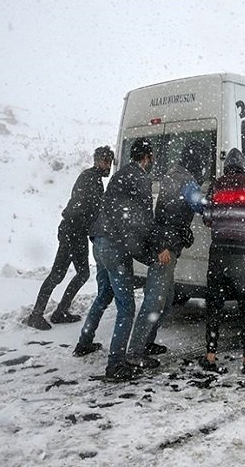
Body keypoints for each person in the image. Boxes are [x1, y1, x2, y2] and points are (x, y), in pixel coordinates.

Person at [73, 138, 160, 381]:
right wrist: (152, 252)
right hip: (114, 246)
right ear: (145, 157)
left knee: (104, 294)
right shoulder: (141, 179)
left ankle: (84, 342)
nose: (152, 161)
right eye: (151, 156)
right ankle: (115, 365)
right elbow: (144, 219)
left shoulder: (119, 174)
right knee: (127, 307)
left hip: (98, 241)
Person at [126, 141, 206, 365]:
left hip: (165, 241)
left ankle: (147, 342)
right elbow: (198, 204)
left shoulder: (172, 174)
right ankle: (135, 352)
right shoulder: (186, 180)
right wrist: (218, 203)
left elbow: (169, 208)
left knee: (167, 297)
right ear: (197, 162)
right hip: (165, 247)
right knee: (154, 300)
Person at [25, 146, 115, 331]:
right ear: (97, 160)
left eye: (110, 162)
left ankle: (59, 312)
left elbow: (92, 208)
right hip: (72, 231)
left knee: (75, 273)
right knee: (62, 273)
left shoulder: (93, 178)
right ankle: (38, 314)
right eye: (105, 161)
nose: (108, 166)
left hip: (75, 231)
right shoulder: (90, 178)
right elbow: (89, 207)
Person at [201, 148, 245, 374]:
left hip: (218, 251)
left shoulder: (216, 185)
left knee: (214, 305)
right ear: (244, 166)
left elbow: (207, 219)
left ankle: (210, 356)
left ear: (226, 167)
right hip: (243, 252)